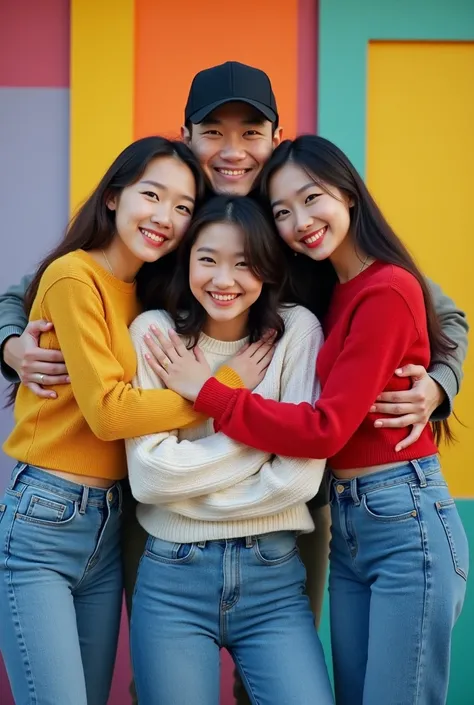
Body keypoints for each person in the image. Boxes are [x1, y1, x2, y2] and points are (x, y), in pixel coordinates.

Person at [0, 62, 469, 703]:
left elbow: (433, 312)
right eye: (213, 131)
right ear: (187, 135)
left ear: (276, 136)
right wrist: (11, 343)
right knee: (160, 676)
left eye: (250, 131)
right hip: (157, 517)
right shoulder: (168, 215)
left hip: (291, 520)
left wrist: (439, 382)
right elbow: (42, 285)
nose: (231, 149)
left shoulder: (309, 222)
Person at [146, 135, 469, 705]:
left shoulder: (386, 288)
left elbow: (325, 429)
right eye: (282, 212)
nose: (301, 221)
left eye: (312, 199)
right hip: (350, 521)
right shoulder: (334, 287)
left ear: (347, 193)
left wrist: (213, 395)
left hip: (402, 516)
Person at [0, 136, 211, 705]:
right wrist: (222, 394)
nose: (165, 218)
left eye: (184, 207)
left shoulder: (148, 295)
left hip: (111, 520)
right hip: (46, 518)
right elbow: (110, 413)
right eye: (152, 195)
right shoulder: (74, 277)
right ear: (114, 196)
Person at [126, 194, 333, 705]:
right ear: (186, 260)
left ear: (267, 265)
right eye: (208, 259)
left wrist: (210, 399)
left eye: (244, 263)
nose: (224, 280)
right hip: (172, 577)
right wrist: (267, 443)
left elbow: (303, 478)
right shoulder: (155, 334)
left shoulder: (295, 331)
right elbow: (150, 477)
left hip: (274, 578)